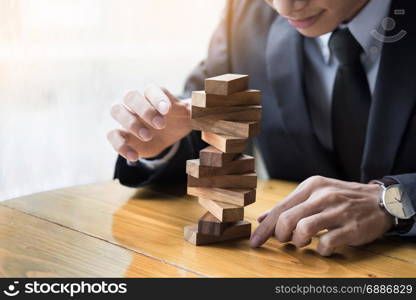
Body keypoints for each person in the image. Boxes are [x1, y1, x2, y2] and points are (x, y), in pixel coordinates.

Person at [107, 0, 416, 256]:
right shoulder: (243, 15)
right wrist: (163, 142)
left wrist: (395, 201)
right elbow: (204, 131)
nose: (285, 7)